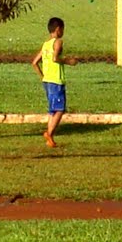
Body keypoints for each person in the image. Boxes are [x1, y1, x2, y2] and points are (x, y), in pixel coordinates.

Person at [31, 16, 78, 148]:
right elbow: (55, 58)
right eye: (63, 29)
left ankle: (50, 138)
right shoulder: (58, 42)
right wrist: (69, 61)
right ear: (58, 29)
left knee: (53, 110)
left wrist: (43, 77)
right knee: (60, 109)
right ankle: (49, 133)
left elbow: (34, 63)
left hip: (47, 81)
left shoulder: (45, 45)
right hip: (56, 80)